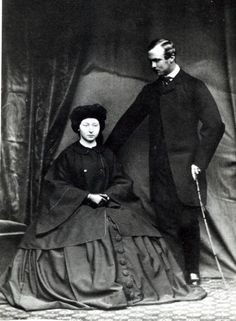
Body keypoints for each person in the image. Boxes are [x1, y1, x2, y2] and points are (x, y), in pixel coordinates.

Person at [0, 104, 207, 311]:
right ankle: (92, 286)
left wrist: (107, 196)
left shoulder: (107, 155)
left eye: (95, 125)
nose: (91, 129)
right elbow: (56, 185)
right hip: (75, 209)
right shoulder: (68, 156)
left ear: (100, 128)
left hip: (108, 205)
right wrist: (87, 196)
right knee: (81, 233)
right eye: (86, 125)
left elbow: (122, 182)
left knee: (132, 227)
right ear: (78, 128)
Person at [106, 39, 225, 285]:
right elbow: (128, 123)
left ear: (171, 58)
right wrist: (105, 153)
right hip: (160, 168)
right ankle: (173, 272)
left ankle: (192, 271)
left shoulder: (194, 87)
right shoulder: (151, 91)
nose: (152, 65)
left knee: (187, 221)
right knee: (165, 219)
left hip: (187, 168)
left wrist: (200, 162)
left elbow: (215, 126)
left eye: (157, 60)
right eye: (150, 60)